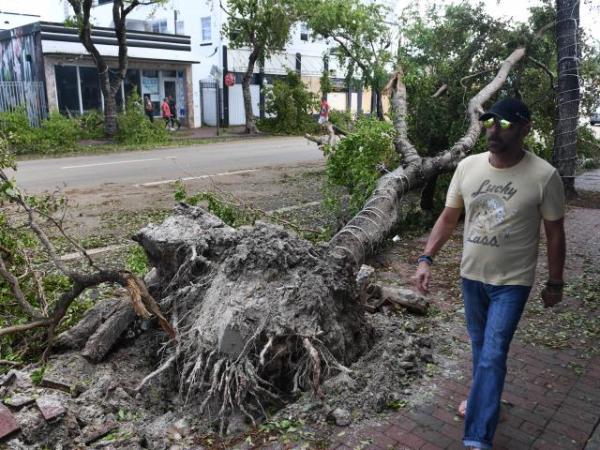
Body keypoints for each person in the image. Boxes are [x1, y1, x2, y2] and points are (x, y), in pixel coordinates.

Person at [413, 98, 566, 450]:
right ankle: (485, 398)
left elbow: (555, 233)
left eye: (505, 124)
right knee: (483, 348)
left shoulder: (544, 176)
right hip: (472, 277)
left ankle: (477, 436)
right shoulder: (468, 167)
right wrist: (425, 259)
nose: (494, 130)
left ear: (526, 128)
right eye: (490, 122)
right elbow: (448, 218)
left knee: (494, 351)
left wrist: (555, 281)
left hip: (512, 283)